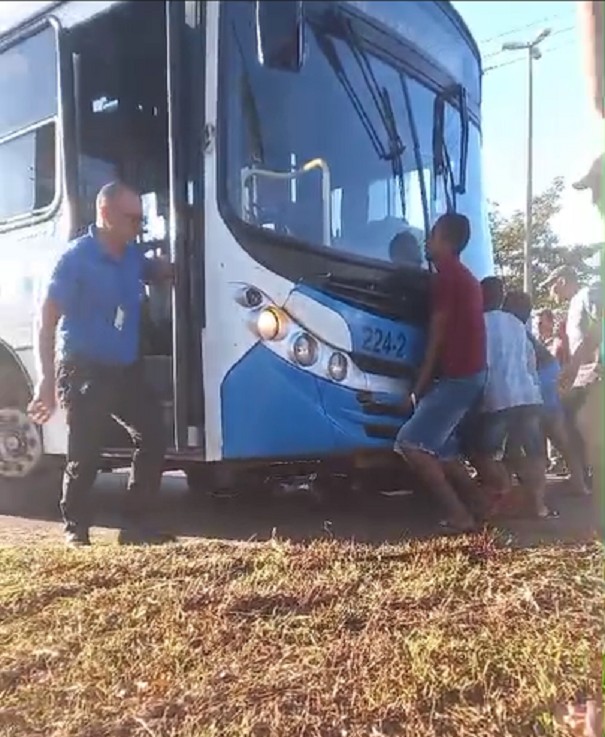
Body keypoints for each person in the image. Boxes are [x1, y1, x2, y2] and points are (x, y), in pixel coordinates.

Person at [28, 182, 175, 548]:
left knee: (153, 435)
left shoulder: (131, 256)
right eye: (132, 218)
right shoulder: (75, 259)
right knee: (86, 453)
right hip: (83, 369)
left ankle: (135, 525)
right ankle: (75, 528)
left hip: (124, 370)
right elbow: (45, 321)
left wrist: (180, 264)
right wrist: (46, 380)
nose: (138, 226)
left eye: (142, 218)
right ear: (106, 215)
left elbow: (155, 270)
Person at [392, 213, 487, 534]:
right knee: (442, 449)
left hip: (459, 377)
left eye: (431, 236)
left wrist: (417, 389)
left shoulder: (447, 278)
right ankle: (481, 505)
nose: (426, 242)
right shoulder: (466, 277)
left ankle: (458, 515)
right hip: (470, 374)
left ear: (445, 239)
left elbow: (437, 336)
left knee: (411, 444)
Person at [467, 278, 553, 519]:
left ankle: (503, 492)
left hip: (499, 399)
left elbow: (478, 365)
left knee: (485, 453)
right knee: (534, 453)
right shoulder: (517, 324)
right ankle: (539, 506)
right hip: (529, 397)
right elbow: (530, 363)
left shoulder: (478, 324)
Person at [503, 290, 589, 498]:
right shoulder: (521, 329)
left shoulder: (510, 328)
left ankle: (525, 489)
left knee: (526, 436)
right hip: (549, 374)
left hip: (538, 378)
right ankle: (578, 482)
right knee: (557, 434)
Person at [542, 265, 601, 490]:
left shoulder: (588, 293)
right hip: (583, 375)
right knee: (570, 422)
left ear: (561, 281)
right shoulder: (574, 304)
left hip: (594, 374)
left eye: (551, 286)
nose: (550, 292)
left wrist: (576, 365)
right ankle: (583, 476)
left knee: (582, 425)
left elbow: (600, 325)